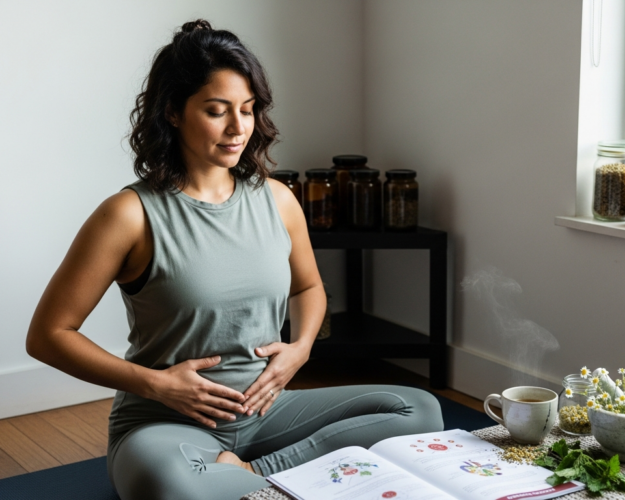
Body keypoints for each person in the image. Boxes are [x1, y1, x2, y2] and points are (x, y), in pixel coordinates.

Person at [25, 20, 443, 500]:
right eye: (216, 111)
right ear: (172, 112)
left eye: (247, 110)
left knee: (419, 411)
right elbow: (48, 335)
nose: (238, 128)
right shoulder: (128, 214)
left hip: (268, 410)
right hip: (166, 422)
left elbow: (308, 287)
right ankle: (277, 476)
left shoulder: (278, 200)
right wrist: (157, 385)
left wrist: (301, 348)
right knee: (169, 486)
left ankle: (251, 472)